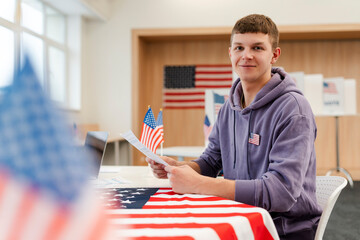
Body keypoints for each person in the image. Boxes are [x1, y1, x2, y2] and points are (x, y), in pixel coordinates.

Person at [147, 14, 322, 240]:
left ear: (274, 55)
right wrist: (182, 168)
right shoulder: (230, 106)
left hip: (281, 229)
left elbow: (281, 193)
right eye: (239, 47)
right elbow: (212, 160)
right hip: (238, 216)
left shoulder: (293, 109)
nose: (246, 55)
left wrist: (200, 184)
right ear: (230, 53)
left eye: (257, 48)